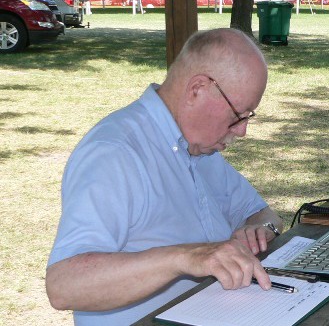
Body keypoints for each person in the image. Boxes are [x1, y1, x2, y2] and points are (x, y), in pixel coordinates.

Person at [45, 28, 284, 325]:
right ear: (197, 89)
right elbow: (63, 285)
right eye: (239, 115)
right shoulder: (115, 153)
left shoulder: (199, 148)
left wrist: (261, 230)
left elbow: (263, 214)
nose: (242, 130)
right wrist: (186, 257)